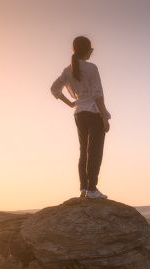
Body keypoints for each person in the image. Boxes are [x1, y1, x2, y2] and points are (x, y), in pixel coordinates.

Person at [50, 35, 111, 199]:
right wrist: (104, 116)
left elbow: (54, 89)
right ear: (88, 50)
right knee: (95, 151)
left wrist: (70, 103)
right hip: (93, 111)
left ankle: (84, 188)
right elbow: (97, 94)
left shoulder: (68, 70)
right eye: (91, 50)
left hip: (79, 114)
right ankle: (92, 189)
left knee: (83, 151)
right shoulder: (91, 68)